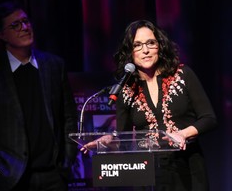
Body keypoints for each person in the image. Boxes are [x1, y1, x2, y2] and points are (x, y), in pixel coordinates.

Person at [82, 20, 217, 191]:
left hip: (187, 168)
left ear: (159, 46)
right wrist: (108, 141)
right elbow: (122, 137)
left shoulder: (183, 74)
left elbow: (209, 118)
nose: (145, 50)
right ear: (130, 52)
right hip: (148, 174)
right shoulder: (126, 89)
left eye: (150, 43)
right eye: (137, 45)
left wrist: (183, 134)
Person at [0, 1, 78, 191]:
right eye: (15, 25)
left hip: (54, 176)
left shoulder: (53, 65)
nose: (24, 28)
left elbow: (69, 116)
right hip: (13, 178)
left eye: (26, 21)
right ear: (1, 35)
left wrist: (67, 160)